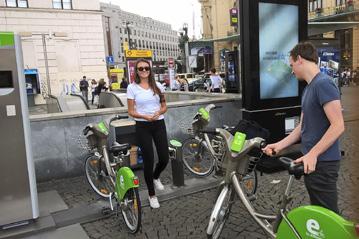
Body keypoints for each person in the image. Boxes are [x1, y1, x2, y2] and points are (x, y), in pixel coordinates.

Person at [262, 42, 345, 214]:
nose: (291, 71)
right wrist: (279, 145)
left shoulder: (323, 84)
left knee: (329, 217)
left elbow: (338, 126)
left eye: (292, 65)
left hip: (323, 163)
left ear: (300, 59)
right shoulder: (309, 88)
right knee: (321, 215)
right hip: (312, 162)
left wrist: (313, 154)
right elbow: (302, 127)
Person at [127, 59, 169, 209]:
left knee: (164, 157)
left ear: (150, 70)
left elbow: (164, 106)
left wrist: (159, 112)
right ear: (136, 71)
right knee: (148, 160)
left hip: (159, 123)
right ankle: (152, 194)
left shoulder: (158, 86)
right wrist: (144, 116)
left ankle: (156, 176)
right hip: (143, 125)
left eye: (146, 68)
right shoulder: (132, 88)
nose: (144, 70)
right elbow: (131, 111)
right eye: (140, 68)